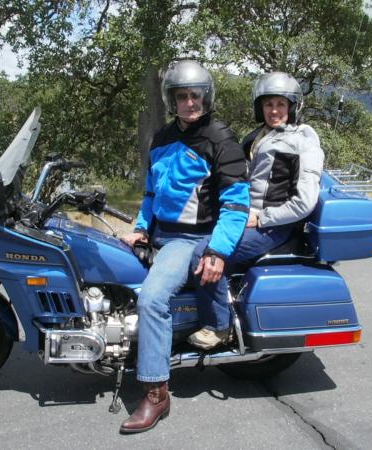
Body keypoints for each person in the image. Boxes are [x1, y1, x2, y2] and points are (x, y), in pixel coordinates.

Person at [118, 60, 249, 434]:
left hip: (190, 238)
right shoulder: (161, 138)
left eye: (196, 95)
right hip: (160, 233)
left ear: (207, 97)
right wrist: (140, 228)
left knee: (151, 299)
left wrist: (217, 251)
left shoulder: (220, 139)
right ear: (171, 100)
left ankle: (156, 393)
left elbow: (236, 204)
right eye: (182, 96)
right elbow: (151, 193)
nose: (190, 103)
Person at [187, 71, 325, 350]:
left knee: (204, 253)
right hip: (244, 216)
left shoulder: (303, 141)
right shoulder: (258, 136)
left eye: (281, 104)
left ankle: (218, 325)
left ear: (293, 107)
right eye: (268, 104)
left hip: (273, 226)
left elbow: (305, 201)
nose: (274, 111)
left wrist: (262, 218)